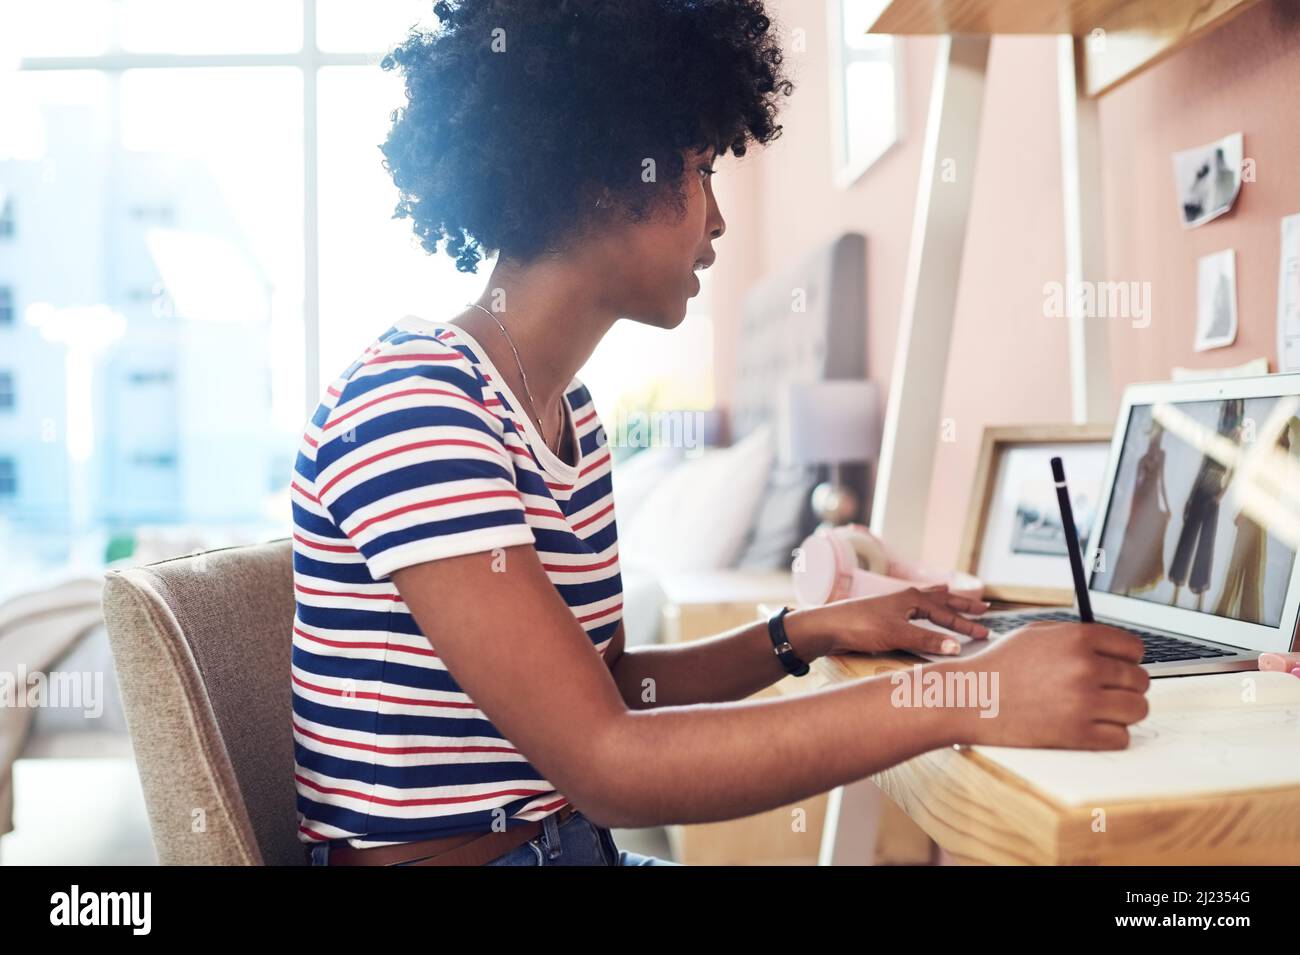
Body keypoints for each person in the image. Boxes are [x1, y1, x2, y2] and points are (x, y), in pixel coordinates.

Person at [289, 0, 1149, 867]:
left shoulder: (567, 416)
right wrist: (968, 692)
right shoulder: (416, 404)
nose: (718, 220)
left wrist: (803, 632)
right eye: (699, 169)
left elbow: (613, 688)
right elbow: (608, 765)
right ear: (602, 177)